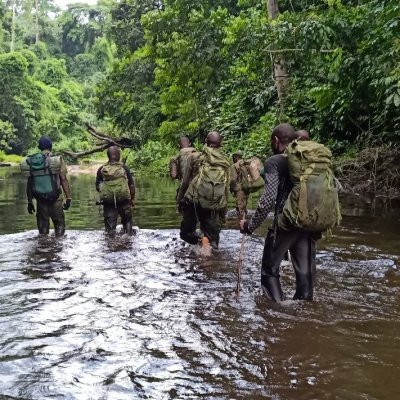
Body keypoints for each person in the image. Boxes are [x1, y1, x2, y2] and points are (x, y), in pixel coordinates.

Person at [240, 123, 320, 302]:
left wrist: (249, 226)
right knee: (305, 275)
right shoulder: (308, 158)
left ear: (276, 141)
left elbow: (268, 200)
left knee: (269, 271)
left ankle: (276, 314)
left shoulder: (275, 162)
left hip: (286, 223)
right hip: (308, 224)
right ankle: (304, 314)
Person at [177, 131, 230, 250]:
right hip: (213, 204)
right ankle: (211, 257)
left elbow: (185, 183)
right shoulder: (224, 162)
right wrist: (223, 212)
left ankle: (200, 241)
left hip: (193, 201)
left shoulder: (194, 157)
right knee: (214, 241)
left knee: (185, 233)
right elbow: (225, 189)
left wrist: (180, 200)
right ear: (220, 144)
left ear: (206, 142)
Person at [23, 135, 72, 237]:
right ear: (51, 147)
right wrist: (68, 198)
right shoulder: (56, 160)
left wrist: (29, 201)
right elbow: (63, 180)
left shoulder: (33, 162)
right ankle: (57, 247)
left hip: (40, 202)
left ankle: (43, 250)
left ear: (39, 147)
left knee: (43, 232)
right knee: (59, 227)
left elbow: (29, 184)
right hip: (56, 200)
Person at [95, 146, 136, 235]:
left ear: (108, 156)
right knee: (127, 221)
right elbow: (131, 185)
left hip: (109, 204)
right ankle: (128, 239)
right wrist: (132, 199)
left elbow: (98, 187)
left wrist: (108, 194)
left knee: (110, 230)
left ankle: (111, 245)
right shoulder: (124, 168)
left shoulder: (101, 170)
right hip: (124, 201)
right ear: (118, 155)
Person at [230, 152, 249, 220]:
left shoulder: (234, 166)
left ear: (235, 157)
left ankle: (241, 226)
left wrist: (231, 188)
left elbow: (233, 179)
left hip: (239, 189)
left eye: (233, 158)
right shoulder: (245, 165)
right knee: (244, 208)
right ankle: (246, 223)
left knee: (240, 209)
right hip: (247, 188)